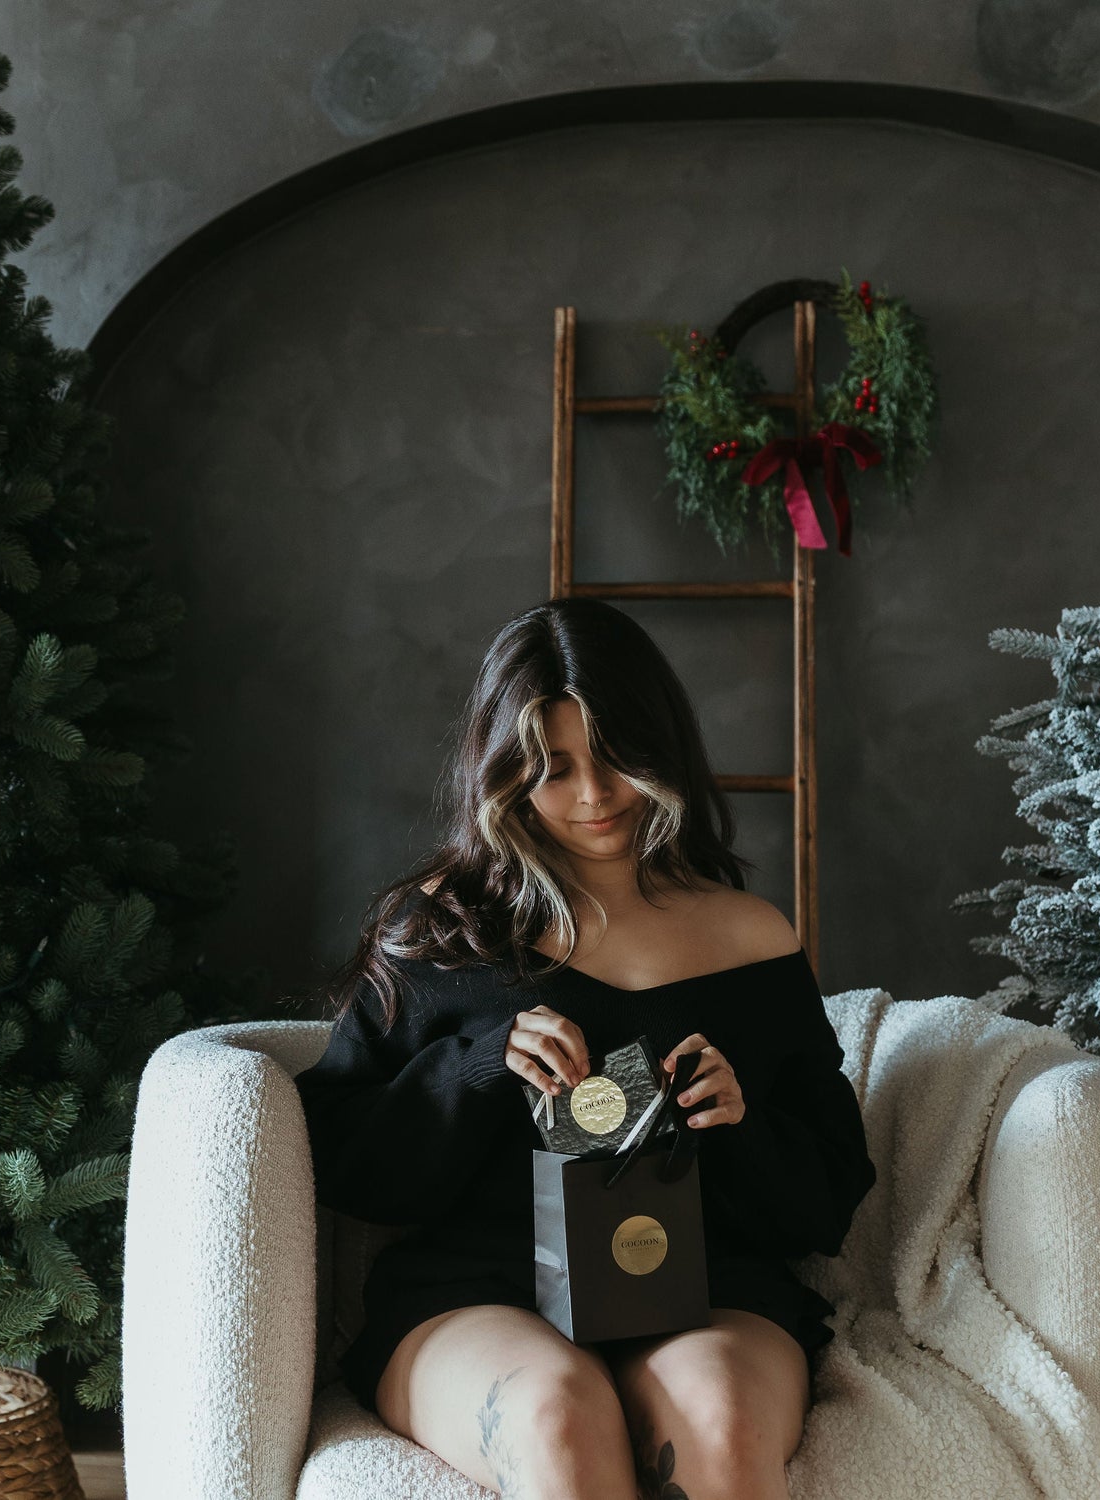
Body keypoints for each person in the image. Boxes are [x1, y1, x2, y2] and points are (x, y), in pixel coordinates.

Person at [294, 597, 877, 1500]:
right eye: (553, 769)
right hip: (476, 1293)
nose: (596, 797)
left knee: (719, 1419)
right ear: (501, 774)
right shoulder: (442, 931)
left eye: (617, 760)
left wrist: (740, 1122)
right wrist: (478, 1066)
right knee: (556, 1415)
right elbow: (348, 1162)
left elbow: (826, 1205)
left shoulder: (752, 941)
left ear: (665, 752)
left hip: (706, 1290)